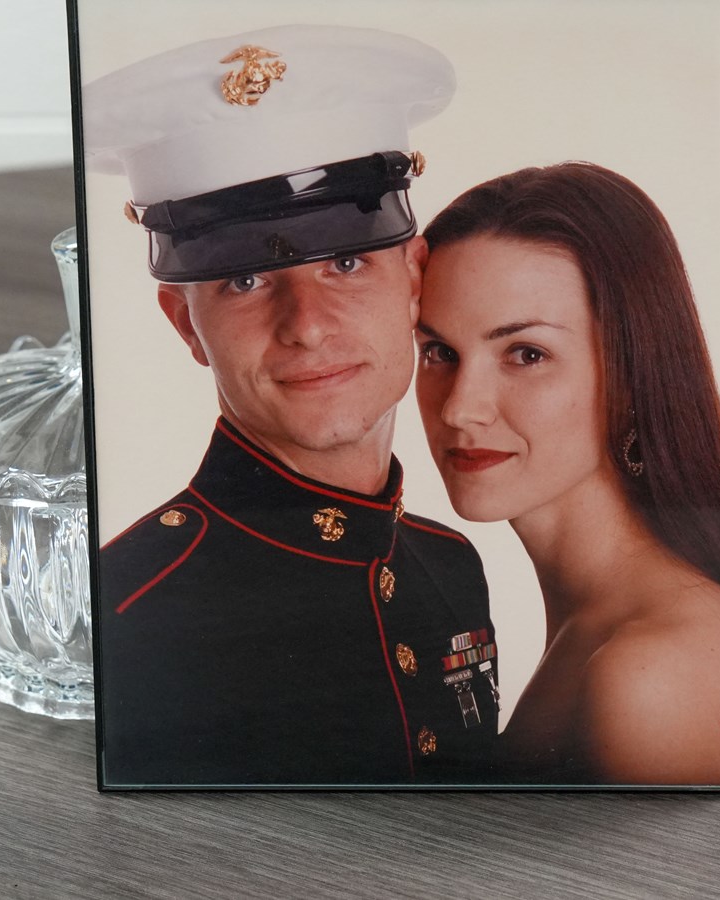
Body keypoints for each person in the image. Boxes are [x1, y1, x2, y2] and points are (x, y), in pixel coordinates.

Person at [85, 25, 498, 787]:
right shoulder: (126, 612)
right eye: (244, 281)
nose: (306, 325)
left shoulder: (451, 566)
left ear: (413, 279)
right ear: (186, 325)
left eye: (346, 263)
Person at [414, 162, 720, 785]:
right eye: (439, 352)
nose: (459, 407)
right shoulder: (605, 628)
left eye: (526, 354)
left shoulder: (650, 675)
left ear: (632, 371)